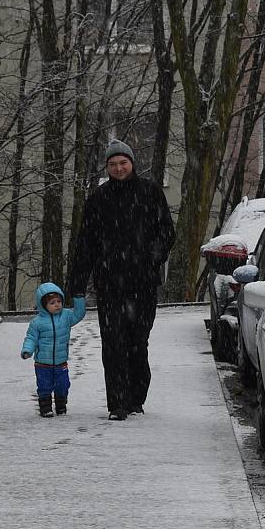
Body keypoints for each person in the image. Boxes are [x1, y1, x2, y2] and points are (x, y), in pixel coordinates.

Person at [68, 138, 175, 420]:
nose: (118, 168)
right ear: (107, 167)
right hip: (109, 285)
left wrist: (152, 258)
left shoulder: (150, 192)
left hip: (143, 284)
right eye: (113, 164)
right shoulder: (98, 199)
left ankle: (136, 398)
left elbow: (167, 233)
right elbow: (85, 245)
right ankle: (117, 403)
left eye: (123, 163)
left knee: (138, 342)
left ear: (131, 164)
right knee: (113, 343)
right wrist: (76, 285)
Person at [21, 281, 86, 417]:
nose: (57, 305)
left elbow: (78, 314)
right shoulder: (37, 322)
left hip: (61, 362)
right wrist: (27, 350)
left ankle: (61, 405)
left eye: (58, 301)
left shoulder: (66, 317)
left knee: (63, 385)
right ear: (43, 305)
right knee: (44, 386)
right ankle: (45, 408)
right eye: (52, 303)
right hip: (42, 364)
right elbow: (31, 338)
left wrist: (79, 299)